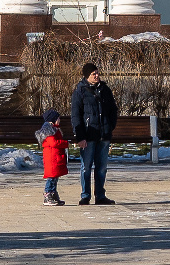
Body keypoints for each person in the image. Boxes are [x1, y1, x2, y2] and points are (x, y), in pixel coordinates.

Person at [67, 63, 118, 206]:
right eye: (93, 74)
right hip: (88, 135)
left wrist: (110, 126)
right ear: (86, 76)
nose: (97, 76)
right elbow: (76, 116)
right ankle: (85, 195)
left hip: (104, 134)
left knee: (101, 167)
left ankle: (100, 195)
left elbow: (113, 110)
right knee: (86, 167)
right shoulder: (80, 91)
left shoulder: (105, 89)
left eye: (97, 73)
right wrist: (80, 136)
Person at [37, 111, 67, 206]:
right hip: (52, 158)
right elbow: (54, 143)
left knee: (55, 177)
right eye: (58, 118)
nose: (59, 120)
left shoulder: (54, 129)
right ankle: (48, 194)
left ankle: (53, 194)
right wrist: (65, 143)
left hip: (55, 157)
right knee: (51, 177)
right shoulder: (49, 131)